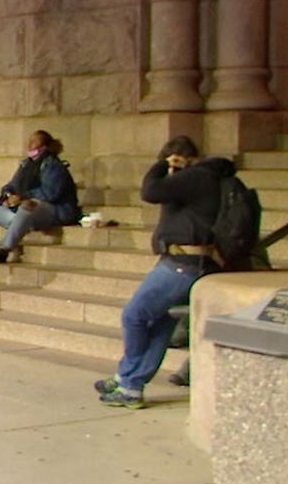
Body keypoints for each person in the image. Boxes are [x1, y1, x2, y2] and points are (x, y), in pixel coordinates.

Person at [95, 135, 231, 408]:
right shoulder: (197, 180)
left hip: (184, 265)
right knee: (160, 324)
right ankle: (129, 382)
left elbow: (150, 192)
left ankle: (128, 380)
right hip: (184, 262)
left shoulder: (197, 177)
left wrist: (160, 166)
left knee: (134, 315)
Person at [0, 130, 81, 263]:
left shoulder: (54, 166)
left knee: (28, 204)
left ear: (44, 146)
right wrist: (6, 197)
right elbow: (11, 185)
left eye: (34, 142)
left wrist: (22, 197)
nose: (29, 145)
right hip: (23, 214)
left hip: (52, 212)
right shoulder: (25, 165)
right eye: (29, 141)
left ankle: (4, 249)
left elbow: (50, 193)